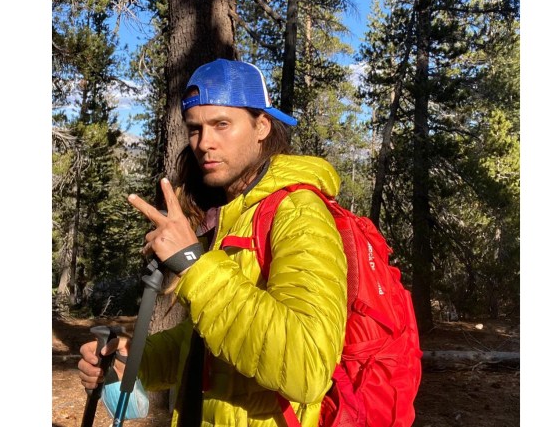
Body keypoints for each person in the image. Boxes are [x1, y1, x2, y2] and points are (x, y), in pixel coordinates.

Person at [78, 58, 348, 427]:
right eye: (195, 129)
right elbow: (206, 346)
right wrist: (134, 358)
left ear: (262, 126)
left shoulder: (299, 213)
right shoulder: (231, 212)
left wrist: (193, 263)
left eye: (222, 124)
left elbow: (308, 365)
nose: (204, 143)